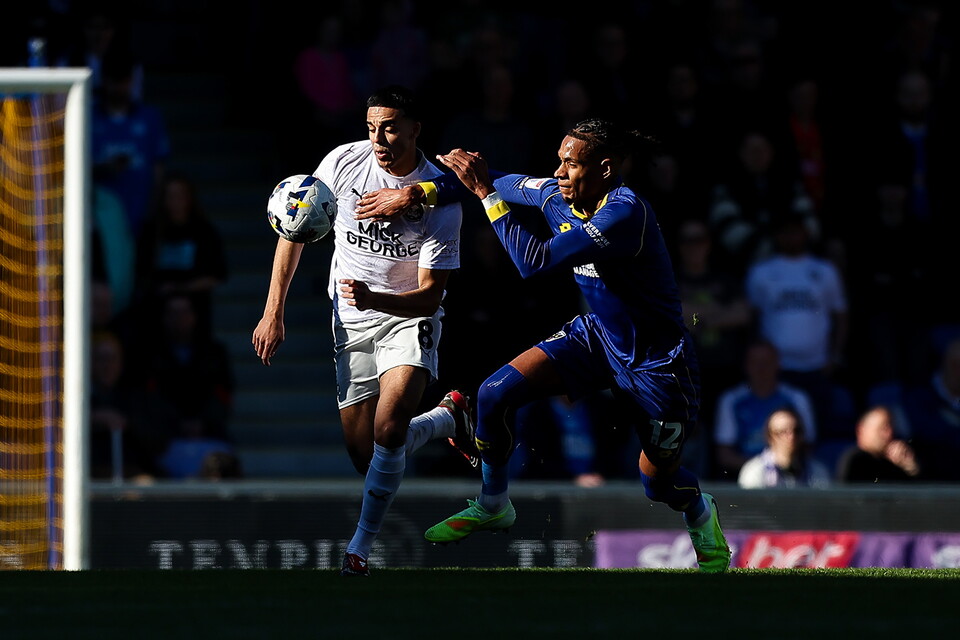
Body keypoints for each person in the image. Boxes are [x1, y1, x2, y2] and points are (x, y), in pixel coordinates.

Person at [355, 118, 731, 573]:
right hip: (596, 338)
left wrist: (487, 198)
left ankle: (699, 511)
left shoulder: (625, 214)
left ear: (605, 169)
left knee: (658, 484)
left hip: (658, 366)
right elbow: (494, 180)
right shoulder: (559, 192)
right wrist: (418, 193)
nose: (557, 172)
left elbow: (532, 261)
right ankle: (494, 502)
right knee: (494, 394)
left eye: (570, 164)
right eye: (558, 159)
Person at [252, 85, 479, 578]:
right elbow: (295, 228)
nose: (379, 137)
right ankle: (446, 419)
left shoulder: (441, 198)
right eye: (372, 125)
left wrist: (377, 299)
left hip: (408, 316)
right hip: (350, 319)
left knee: (389, 425)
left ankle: (360, 547)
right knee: (364, 453)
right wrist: (274, 311)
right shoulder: (342, 163)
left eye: (392, 126)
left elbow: (432, 296)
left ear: (417, 129)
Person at [712, 338, 817, 481]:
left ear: (778, 363)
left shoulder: (797, 398)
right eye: (755, 362)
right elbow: (724, 454)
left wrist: (782, 468)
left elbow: (808, 445)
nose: (761, 368)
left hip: (793, 477)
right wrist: (762, 468)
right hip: (745, 477)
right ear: (746, 366)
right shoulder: (731, 400)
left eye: (766, 362)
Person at [738, 408, 832, 489]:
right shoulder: (754, 471)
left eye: (796, 431)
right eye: (782, 432)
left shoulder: (818, 471)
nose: (791, 437)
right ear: (770, 437)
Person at [836, 405, 921, 483]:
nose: (889, 434)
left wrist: (911, 468)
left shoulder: (893, 463)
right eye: (882, 428)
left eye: (891, 427)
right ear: (861, 430)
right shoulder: (856, 461)